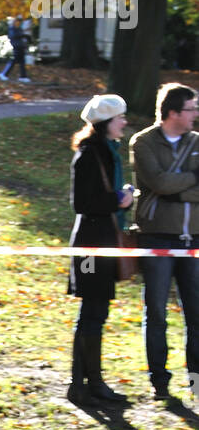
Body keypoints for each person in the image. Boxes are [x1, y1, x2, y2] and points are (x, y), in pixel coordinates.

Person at [129, 83, 199, 398]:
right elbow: (157, 182)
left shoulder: (197, 142)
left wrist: (176, 188)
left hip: (194, 239)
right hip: (156, 237)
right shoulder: (142, 142)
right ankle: (160, 381)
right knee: (156, 310)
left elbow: (168, 186)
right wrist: (193, 179)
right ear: (173, 112)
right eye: (191, 109)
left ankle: (197, 381)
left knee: (196, 313)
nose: (196, 115)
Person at [66, 94, 135, 407]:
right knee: (92, 313)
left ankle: (90, 383)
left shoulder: (106, 152)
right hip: (92, 247)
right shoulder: (91, 154)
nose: (124, 122)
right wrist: (117, 201)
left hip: (102, 241)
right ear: (107, 121)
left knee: (96, 312)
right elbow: (82, 203)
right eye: (120, 117)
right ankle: (83, 385)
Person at [0, 15, 30, 83]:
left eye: (19, 21)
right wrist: (24, 35)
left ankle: (23, 76)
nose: (18, 22)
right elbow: (14, 36)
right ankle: (3, 74)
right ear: (14, 21)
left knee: (22, 62)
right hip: (16, 46)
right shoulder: (12, 28)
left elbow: (21, 37)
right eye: (17, 21)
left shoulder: (18, 29)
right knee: (14, 60)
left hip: (21, 46)